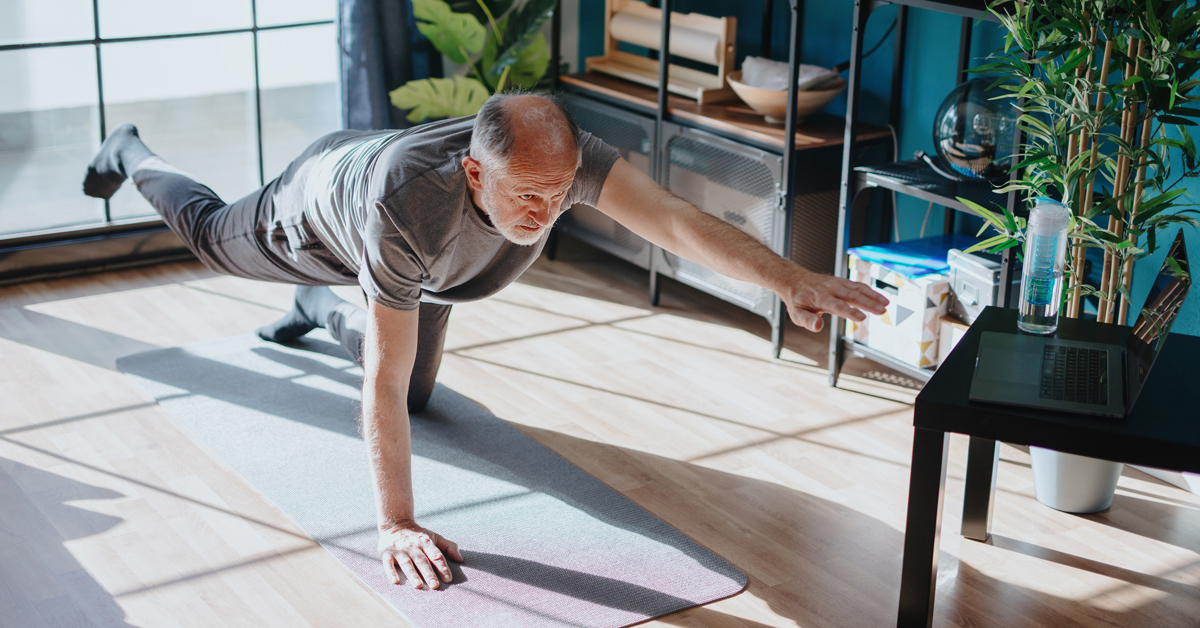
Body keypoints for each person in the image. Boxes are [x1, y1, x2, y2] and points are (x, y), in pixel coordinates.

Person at [82, 91, 888, 591]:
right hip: (318, 208)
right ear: (475, 176)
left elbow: (677, 220)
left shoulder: (560, 160)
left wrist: (789, 279)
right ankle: (134, 153)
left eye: (559, 192)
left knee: (427, 399)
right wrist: (395, 522)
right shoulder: (406, 208)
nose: (547, 210)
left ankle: (319, 310)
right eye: (527, 196)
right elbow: (381, 389)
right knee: (210, 236)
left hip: (427, 263)